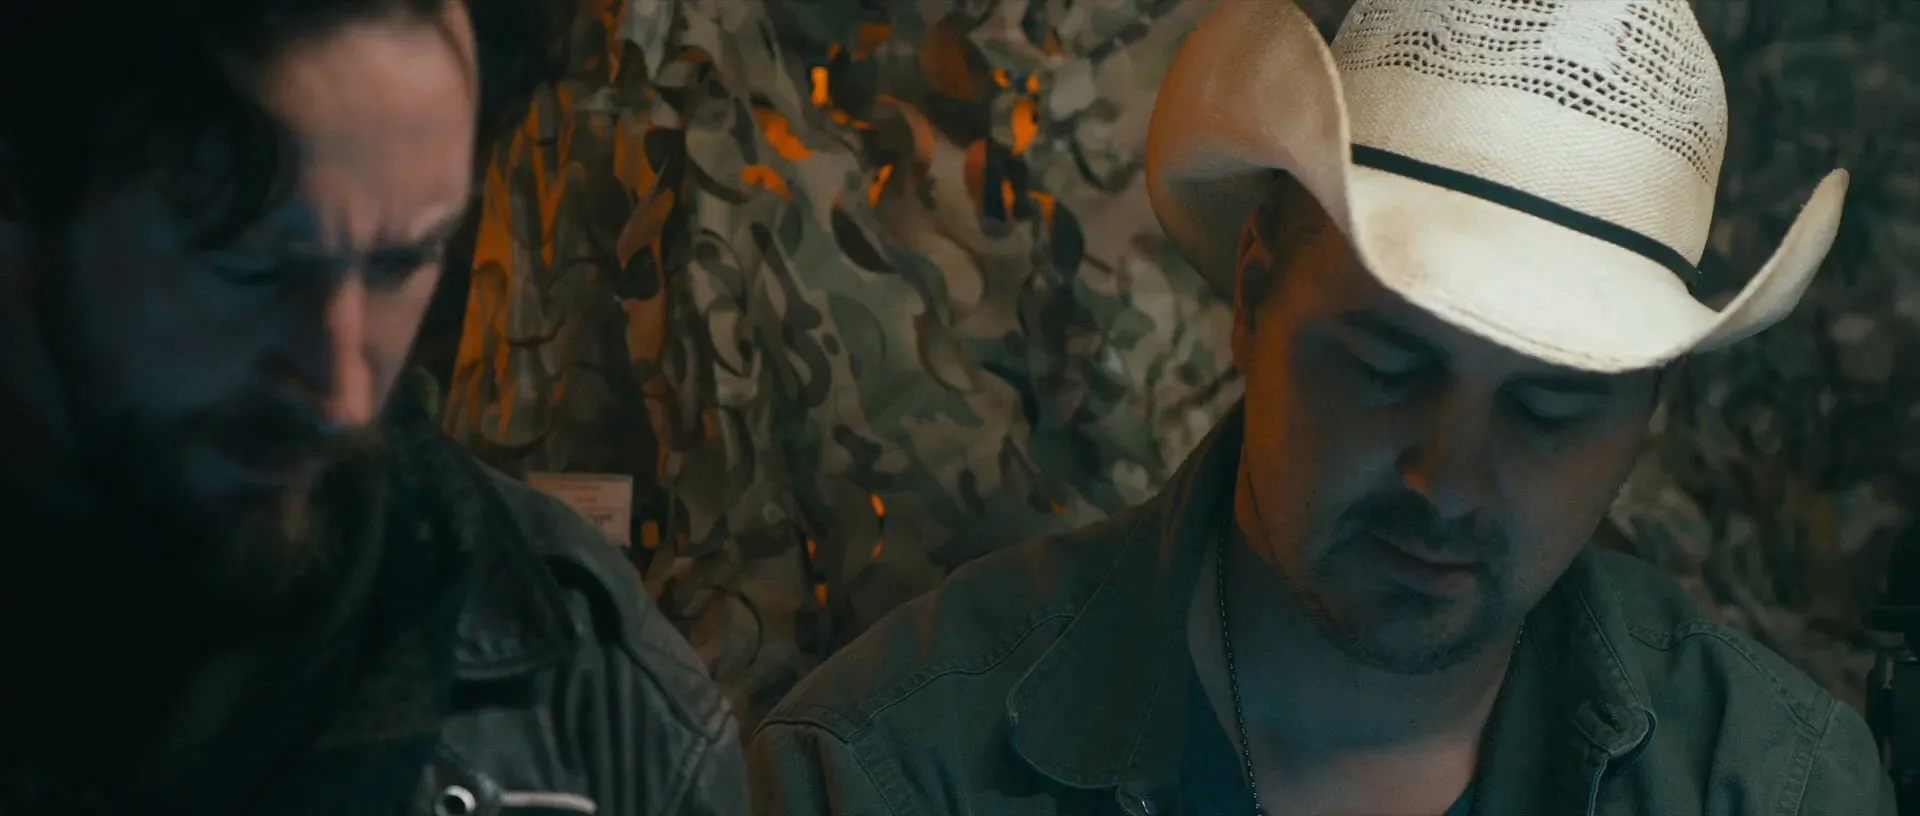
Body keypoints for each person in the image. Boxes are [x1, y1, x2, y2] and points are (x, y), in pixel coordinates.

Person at [746, 1, 1894, 814]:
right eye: (1387, 366)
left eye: (1550, 411)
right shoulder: (891, 768)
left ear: (1646, 416)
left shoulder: (1771, 783)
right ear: (1254, 295)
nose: (1446, 480)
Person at [0, 1, 747, 814]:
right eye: (254, 268)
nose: (344, 399)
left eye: (401, 263)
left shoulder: (590, 694)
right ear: (20, 208)